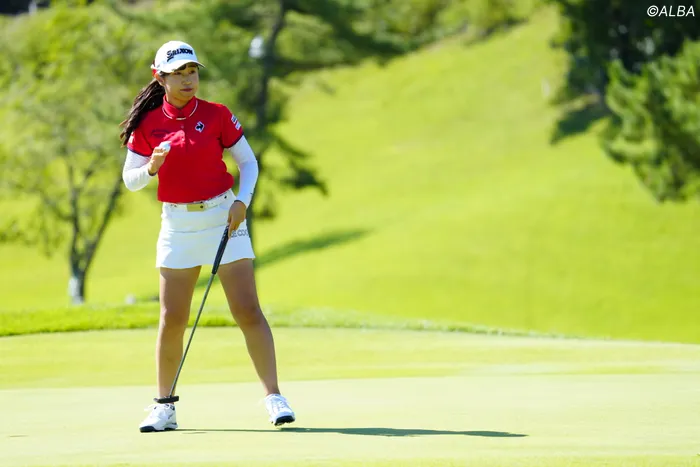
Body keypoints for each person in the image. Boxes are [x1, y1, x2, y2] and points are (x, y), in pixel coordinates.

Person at [119, 41, 295, 433]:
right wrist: (152, 167)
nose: (188, 80)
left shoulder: (217, 114)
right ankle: (165, 406)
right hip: (177, 226)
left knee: (247, 309)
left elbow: (248, 162)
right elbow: (131, 180)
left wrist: (242, 202)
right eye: (178, 74)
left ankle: (274, 397)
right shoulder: (148, 124)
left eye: (192, 72)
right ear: (159, 77)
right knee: (172, 318)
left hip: (223, 217)